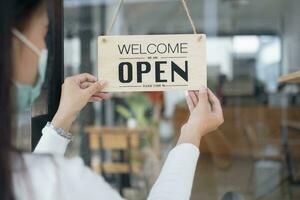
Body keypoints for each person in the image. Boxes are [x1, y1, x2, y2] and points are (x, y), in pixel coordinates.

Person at [0, 0, 224, 199]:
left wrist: (63, 117)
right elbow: (42, 178)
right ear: (12, 42)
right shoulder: (62, 182)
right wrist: (192, 133)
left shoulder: (23, 178)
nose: (42, 48)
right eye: (43, 32)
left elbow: (38, 175)